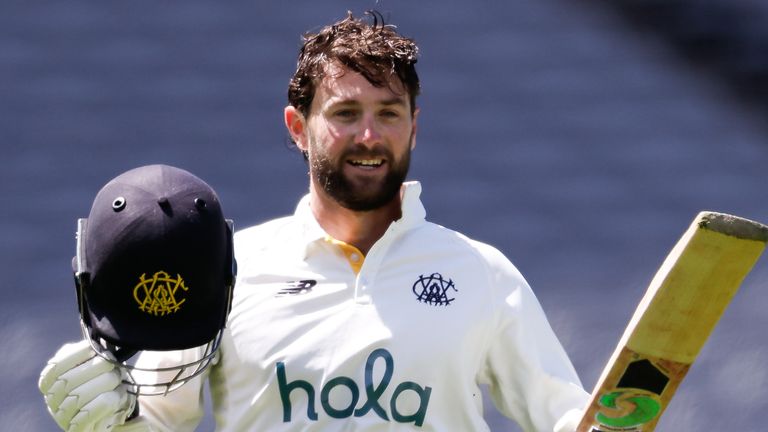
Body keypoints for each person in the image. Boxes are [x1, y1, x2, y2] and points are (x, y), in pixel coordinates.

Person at [39, 11, 589, 431]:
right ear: (298, 128)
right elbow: (160, 420)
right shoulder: (227, 268)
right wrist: (110, 418)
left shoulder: (481, 273)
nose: (369, 136)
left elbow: (567, 416)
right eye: (346, 114)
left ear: (414, 127)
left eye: (388, 114)